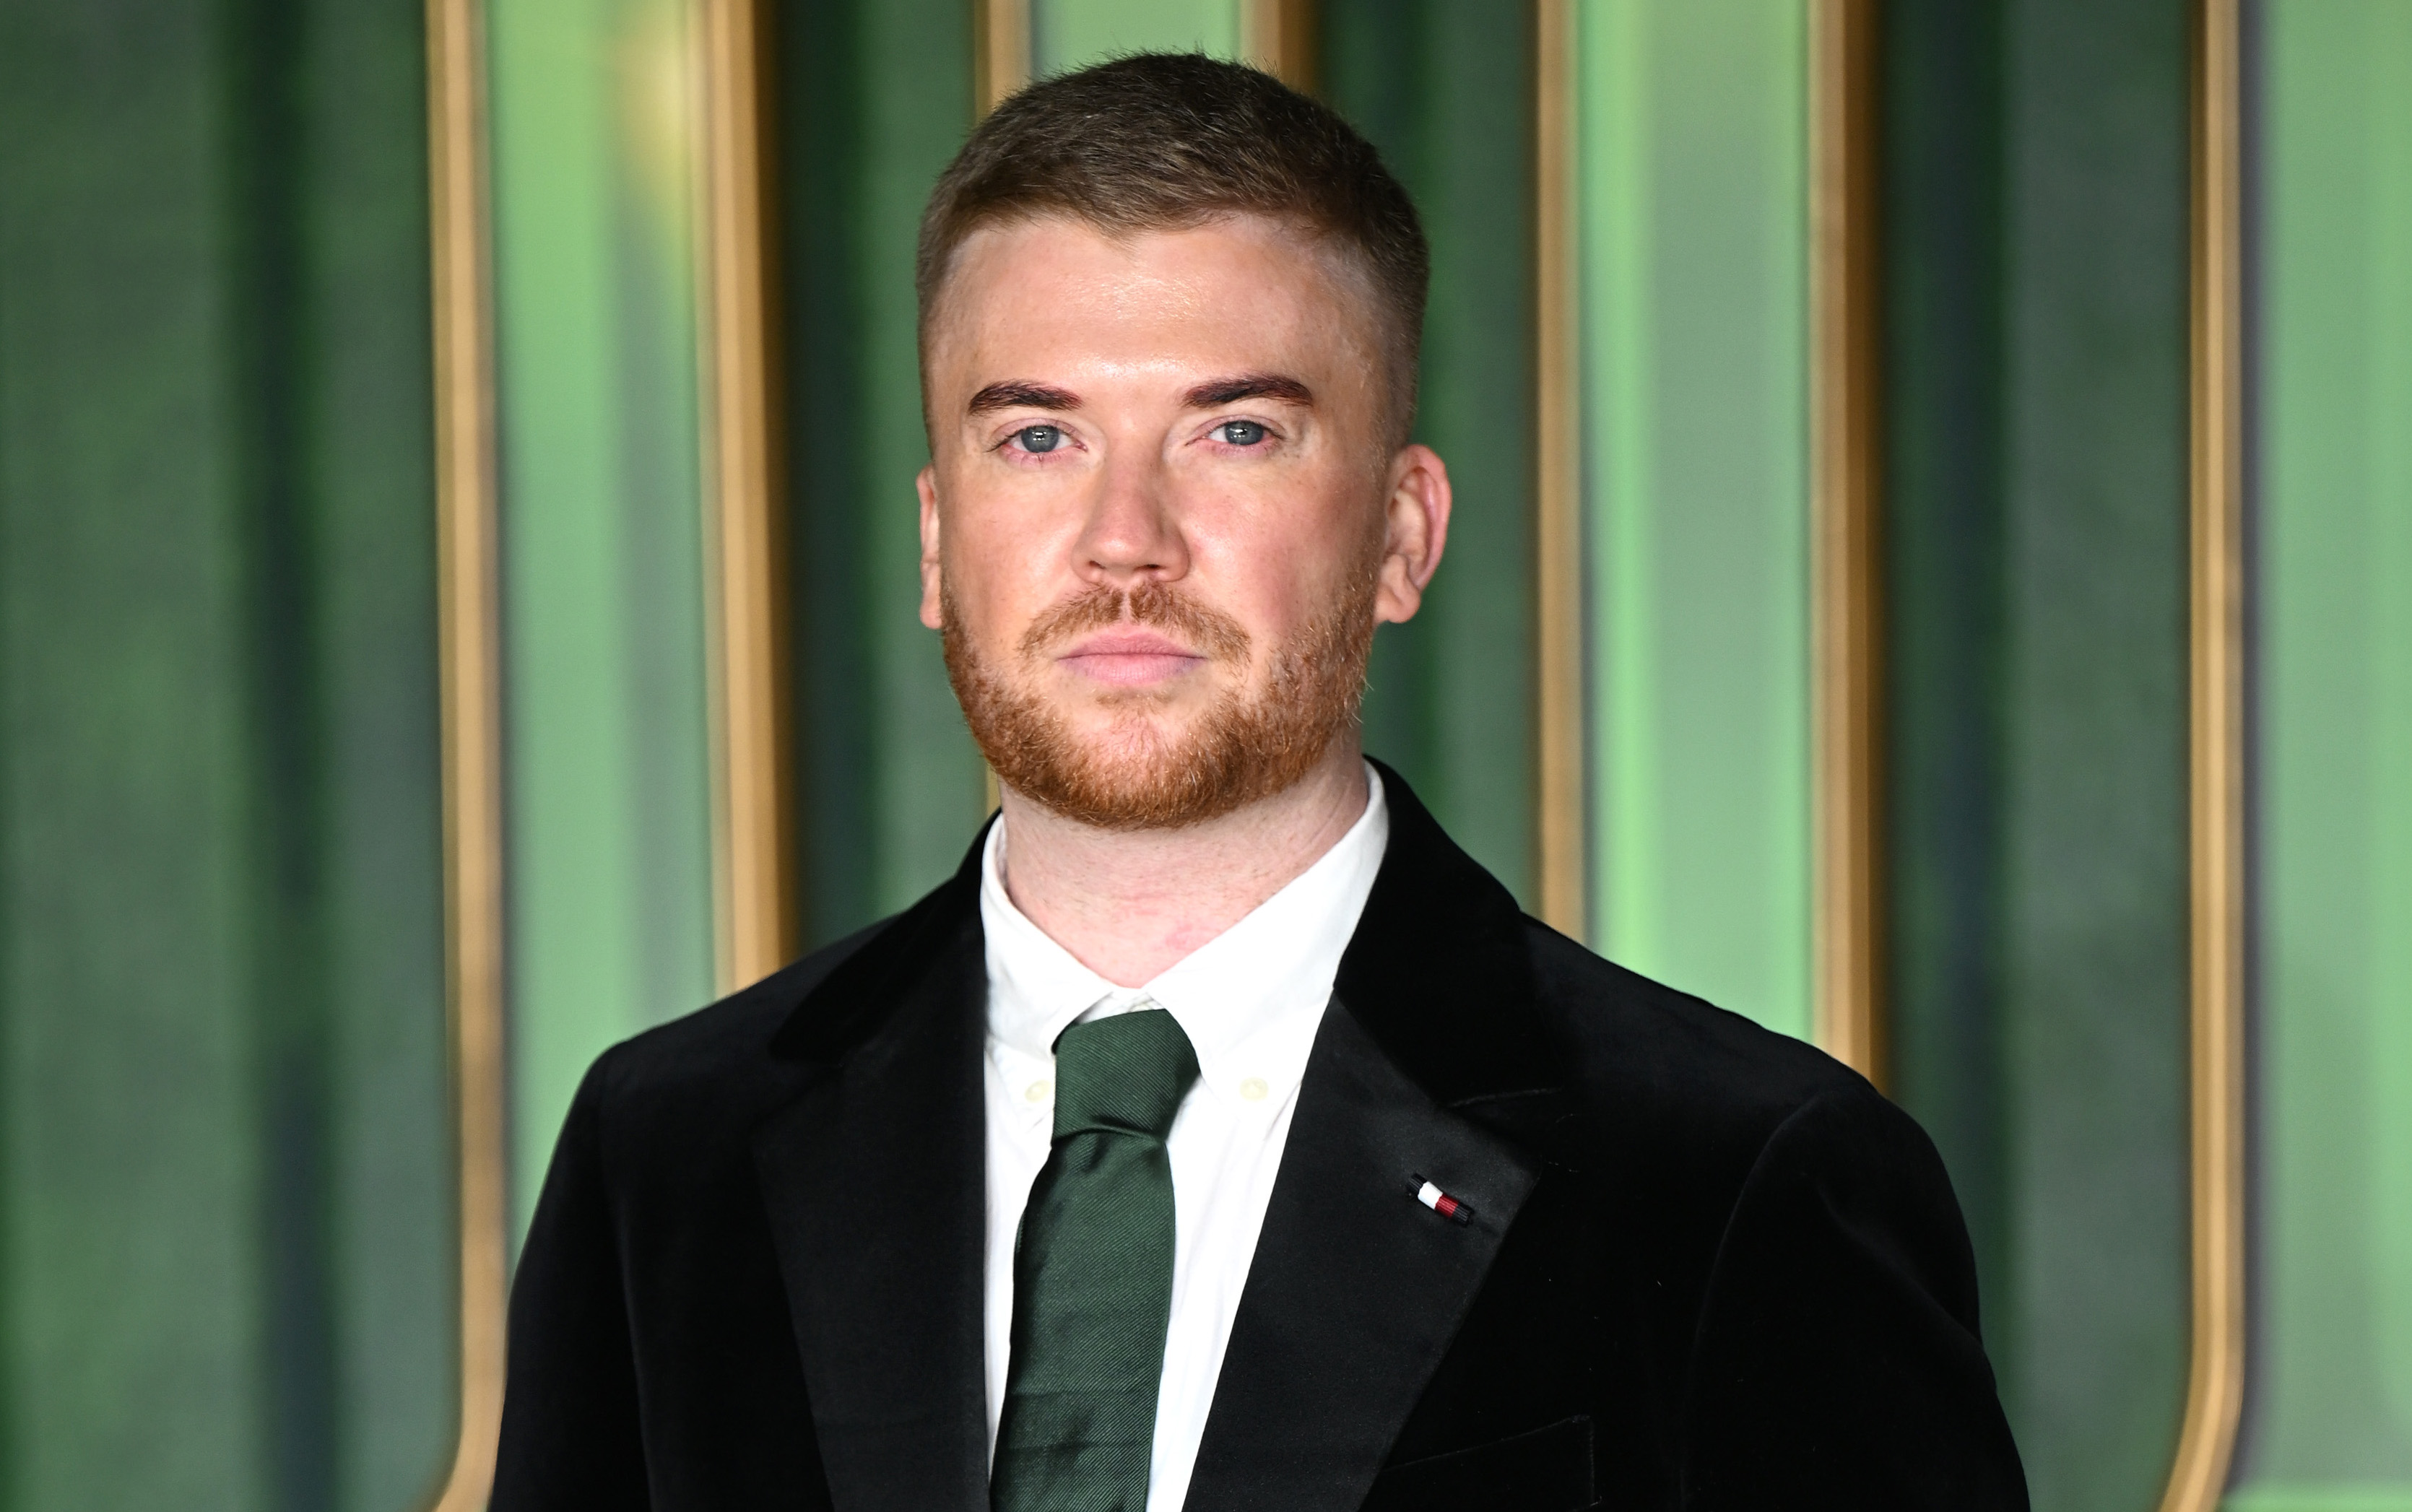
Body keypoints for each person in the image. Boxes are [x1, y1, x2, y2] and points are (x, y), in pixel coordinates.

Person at [491, 53, 2026, 1512]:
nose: (1125, 541)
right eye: (1038, 437)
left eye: (1234, 432)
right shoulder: (665, 1161)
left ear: (1402, 536)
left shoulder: (1738, 1179)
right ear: (937, 541)